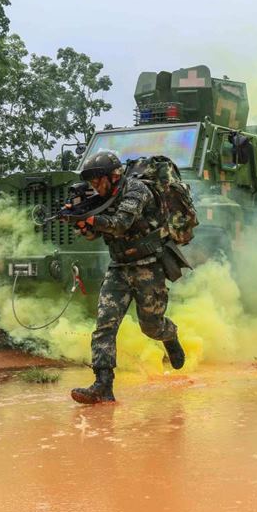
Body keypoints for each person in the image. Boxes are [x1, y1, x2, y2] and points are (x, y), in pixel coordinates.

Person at [70, 151, 186, 404]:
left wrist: (88, 217)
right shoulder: (102, 198)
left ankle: (170, 335)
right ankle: (103, 385)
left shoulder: (136, 190)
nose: (94, 187)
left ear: (114, 176)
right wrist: (81, 223)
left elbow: (121, 223)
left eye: (98, 181)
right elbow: (93, 234)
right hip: (119, 268)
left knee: (151, 326)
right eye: (91, 182)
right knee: (104, 325)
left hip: (147, 267)